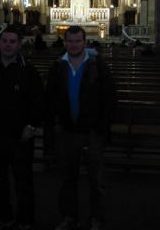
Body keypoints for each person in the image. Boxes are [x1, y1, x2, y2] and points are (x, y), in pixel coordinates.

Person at [45, 26, 116, 230]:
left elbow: (110, 99)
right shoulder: (57, 66)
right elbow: (50, 99)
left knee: (96, 181)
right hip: (67, 132)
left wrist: (102, 128)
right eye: (70, 41)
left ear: (84, 42)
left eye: (78, 41)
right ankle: (69, 217)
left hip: (92, 133)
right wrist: (53, 128)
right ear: (65, 42)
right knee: (67, 179)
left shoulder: (98, 65)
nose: (74, 44)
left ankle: (96, 218)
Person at [0, 25, 44, 230]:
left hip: (19, 135)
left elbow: (37, 101)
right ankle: (2, 217)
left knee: (23, 180)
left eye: (12, 42)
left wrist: (31, 125)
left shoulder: (28, 70)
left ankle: (25, 220)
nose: (8, 45)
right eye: (4, 41)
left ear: (19, 44)